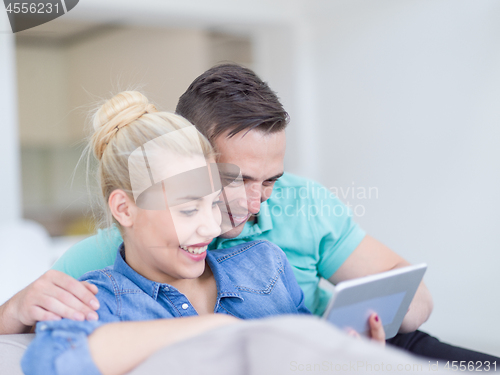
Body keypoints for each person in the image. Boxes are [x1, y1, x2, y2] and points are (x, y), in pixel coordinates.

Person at [1, 64, 498, 362]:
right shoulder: (105, 265)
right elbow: (45, 343)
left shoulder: (278, 238)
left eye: (271, 181)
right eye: (233, 180)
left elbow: (408, 296)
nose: (258, 201)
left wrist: (367, 330)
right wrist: (17, 308)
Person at [24, 91, 382, 375]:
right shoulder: (96, 300)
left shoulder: (266, 264)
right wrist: (212, 329)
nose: (212, 227)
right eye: (188, 208)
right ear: (124, 209)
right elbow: (50, 362)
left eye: (214, 204)